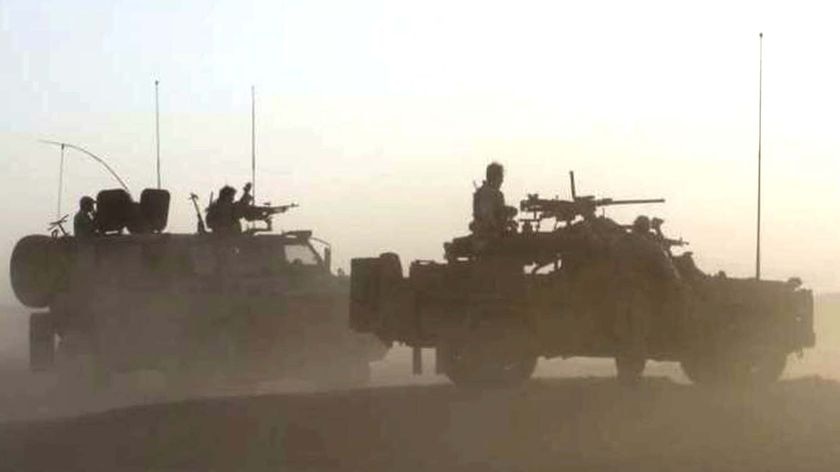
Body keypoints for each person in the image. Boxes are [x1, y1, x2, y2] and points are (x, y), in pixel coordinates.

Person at [470, 162, 517, 237]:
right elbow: (488, 217)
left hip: (484, 233)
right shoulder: (493, 194)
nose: (502, 180)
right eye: (501, 177)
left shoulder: (481, 192)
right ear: (495, 177)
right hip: (490, 236)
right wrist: (502, 224)